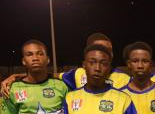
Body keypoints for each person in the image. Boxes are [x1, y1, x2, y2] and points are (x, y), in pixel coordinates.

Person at [1, 33, 130, 97]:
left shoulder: (124, 78)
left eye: (108, 50)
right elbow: (50, 75)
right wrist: (16, 76)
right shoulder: (78, 74)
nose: (103, 53)